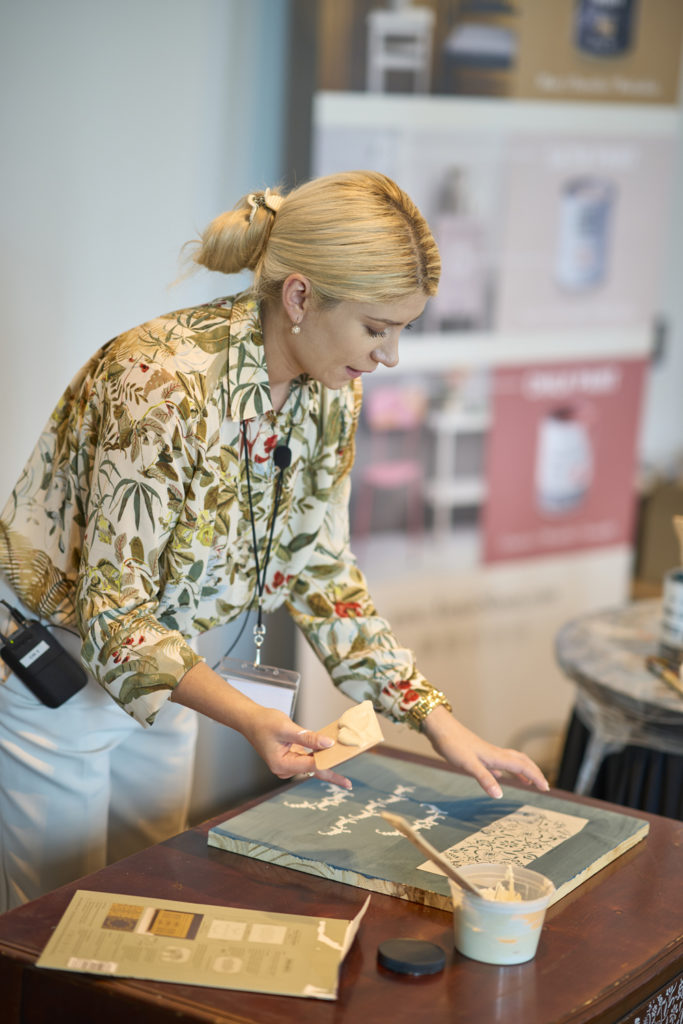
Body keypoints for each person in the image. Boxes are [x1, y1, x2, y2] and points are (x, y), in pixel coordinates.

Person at [0, 170, 548, 912]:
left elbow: (322, 571)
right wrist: (253, 718)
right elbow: (114, 614)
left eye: (402, 331)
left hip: (176, 669)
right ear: (299, 297)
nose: (389, 357)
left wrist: (436, 723)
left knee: (144, 894)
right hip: (56, 672)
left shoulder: (332, 389)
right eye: (375, 328)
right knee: (51, 920)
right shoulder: (158, 382)